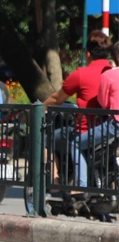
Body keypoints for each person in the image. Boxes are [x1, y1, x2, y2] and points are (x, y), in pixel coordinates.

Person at [44, 31, 114, 190]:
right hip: (108, 129)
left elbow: (57, 99)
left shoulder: (81, 74)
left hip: (84, 131)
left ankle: (55, 182)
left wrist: (39, 109)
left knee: (47, 138)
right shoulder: (112, 73)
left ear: (88, 54)